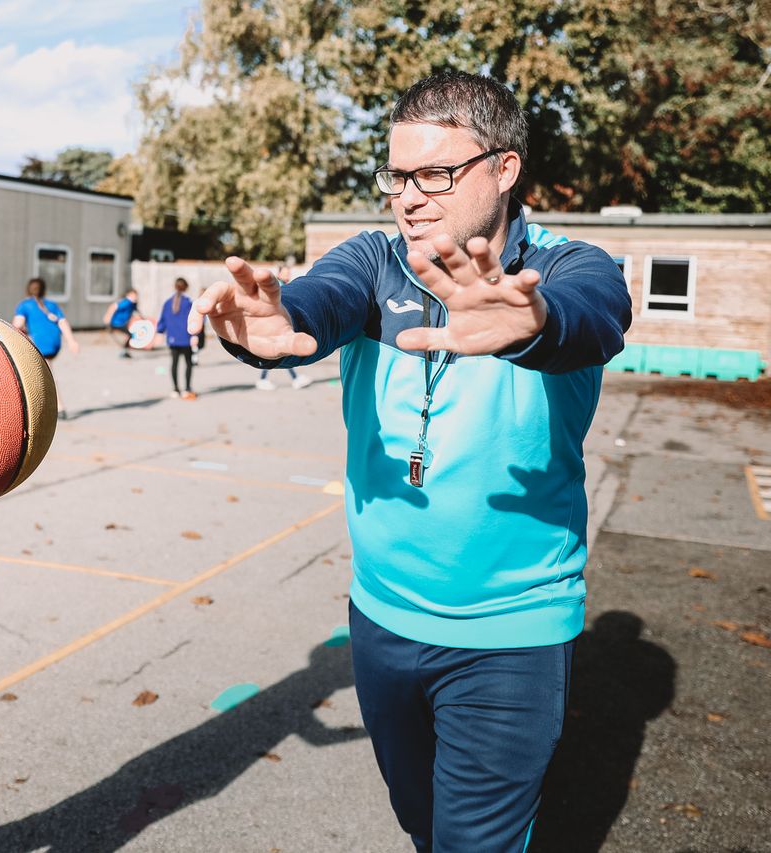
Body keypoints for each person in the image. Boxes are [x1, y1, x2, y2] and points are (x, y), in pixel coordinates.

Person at [191, 70, 632, 852]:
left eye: (435, 173)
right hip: (381, 619)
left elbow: (593, 319)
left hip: (513, 633)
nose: (408, 196)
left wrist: (530, 324)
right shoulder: (372, 260)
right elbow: (314, 303)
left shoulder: (567, 269)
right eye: (397, 175)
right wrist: (268, 325)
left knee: (475, 842)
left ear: (504, 168)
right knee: (422, 824)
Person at [13, 277, 79, 419]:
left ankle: (59, 407)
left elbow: (17, 325)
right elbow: (62, 322)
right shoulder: (52, 305)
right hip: (55, 342)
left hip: (41, 343)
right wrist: (71, 341)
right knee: (42, 370)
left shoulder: (24, 305)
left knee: (45, 374)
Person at [254, 266, 311, 391]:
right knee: (279, 352)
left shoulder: (283, 285)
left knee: (278, 353)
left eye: (289, 273)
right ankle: (292, 379)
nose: (288, 275)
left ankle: (291, 378)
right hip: (273, 325)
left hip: (276, 324)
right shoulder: (278, 286)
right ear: (279, 273)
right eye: (285, 272)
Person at [157, 278, 197, 399]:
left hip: (172, 339)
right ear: (186, 288)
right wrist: (195, 335)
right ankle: (187, 388)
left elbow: (162, 320)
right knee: (188, 364)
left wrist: (159, 332)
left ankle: (175, 389)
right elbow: (194, 320)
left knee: (174, 363)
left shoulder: (168, 302)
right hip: (186, 339)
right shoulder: (189, 302)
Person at [102, 288, 142, 357]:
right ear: (128, 295)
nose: (135, 297)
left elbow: (137, 312)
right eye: (133, 295)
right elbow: (113, 306)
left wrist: (143, 318)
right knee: (130, 335)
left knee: (129, 335)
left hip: (124, 323)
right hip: (117, 323)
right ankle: (124, 351)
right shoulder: (126, 302)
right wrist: (107, 317)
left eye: (136, 295)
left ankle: (125, 350)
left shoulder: (133, 304)